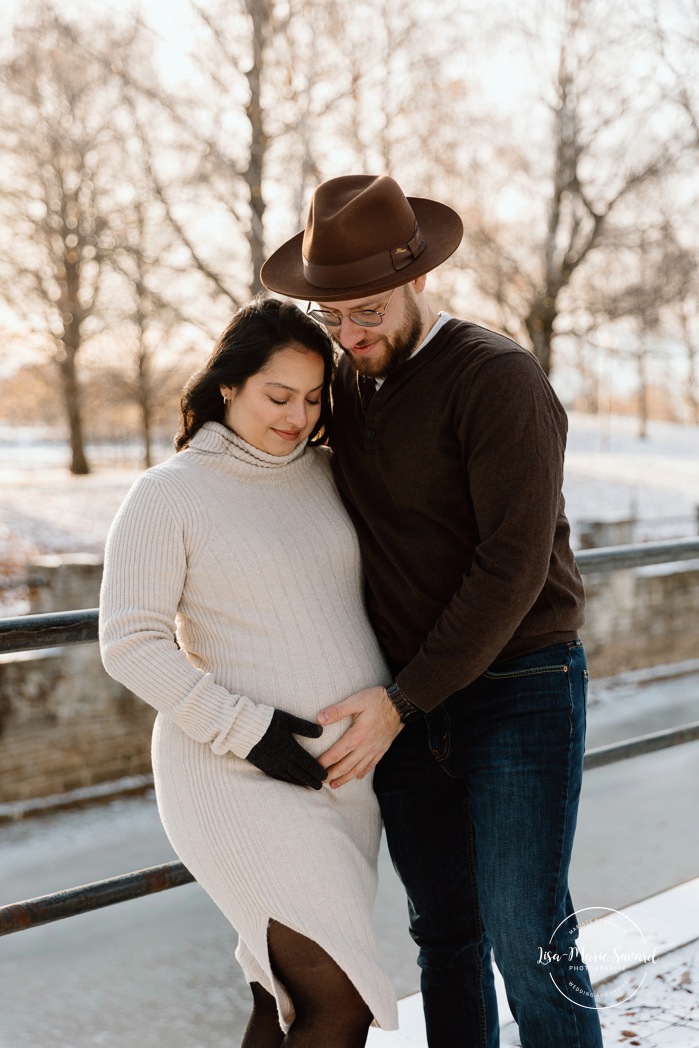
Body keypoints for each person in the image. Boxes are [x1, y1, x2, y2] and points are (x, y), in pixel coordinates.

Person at [260, 174, 604, 1048]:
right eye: (332, 317)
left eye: (368, 312)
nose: (350, 336)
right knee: (443, 942)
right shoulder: (343, 386)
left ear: (418, 278)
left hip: (518, 684)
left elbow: (511, 567)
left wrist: (401, 701)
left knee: (528, 942)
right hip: (406, 699)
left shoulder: (498, 378)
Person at [99, 297, 398, 1048]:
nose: (297, 417)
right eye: (277, 395)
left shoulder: (328, 474)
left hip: (345, 779)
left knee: (284, 998)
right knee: (339, 1002)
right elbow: (129, 642)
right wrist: (250, 731)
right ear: (228, 385)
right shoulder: (168, 494)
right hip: (234, 773)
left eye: (312, 399)